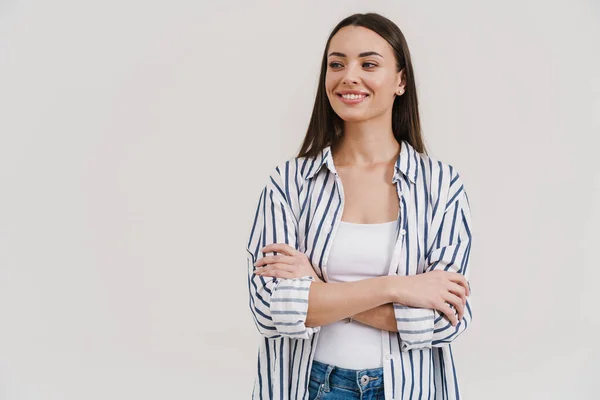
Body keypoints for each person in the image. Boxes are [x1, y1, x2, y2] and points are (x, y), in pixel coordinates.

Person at [246, 12, 473, 400]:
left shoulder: (441, 185)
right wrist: (397, 288)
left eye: (368, 64)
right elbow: (271, 309)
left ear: (400, 81)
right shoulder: (288, 184)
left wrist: (319, 292)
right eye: (337, 64)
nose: (349, 76)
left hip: (406, 388)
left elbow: (444, 322)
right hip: (310, 385)